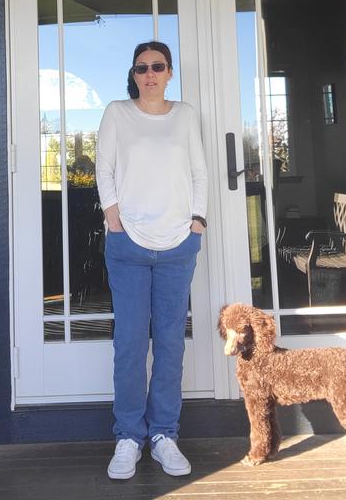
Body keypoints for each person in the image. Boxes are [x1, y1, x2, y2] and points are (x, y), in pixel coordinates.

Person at [96, 41, 208, 480]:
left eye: (157, 67)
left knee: (169, 343)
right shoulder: (117, 113)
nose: (149, 74)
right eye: (141, 68)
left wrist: (197, 221)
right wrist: (114, 219)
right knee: (129, 344)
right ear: (134, 73)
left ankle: (163, 435)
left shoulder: (185, 116)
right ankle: (128, 437)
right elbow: (104, 169)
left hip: (178, 244)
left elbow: (199, 172)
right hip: (128, 245)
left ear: (169, 72)